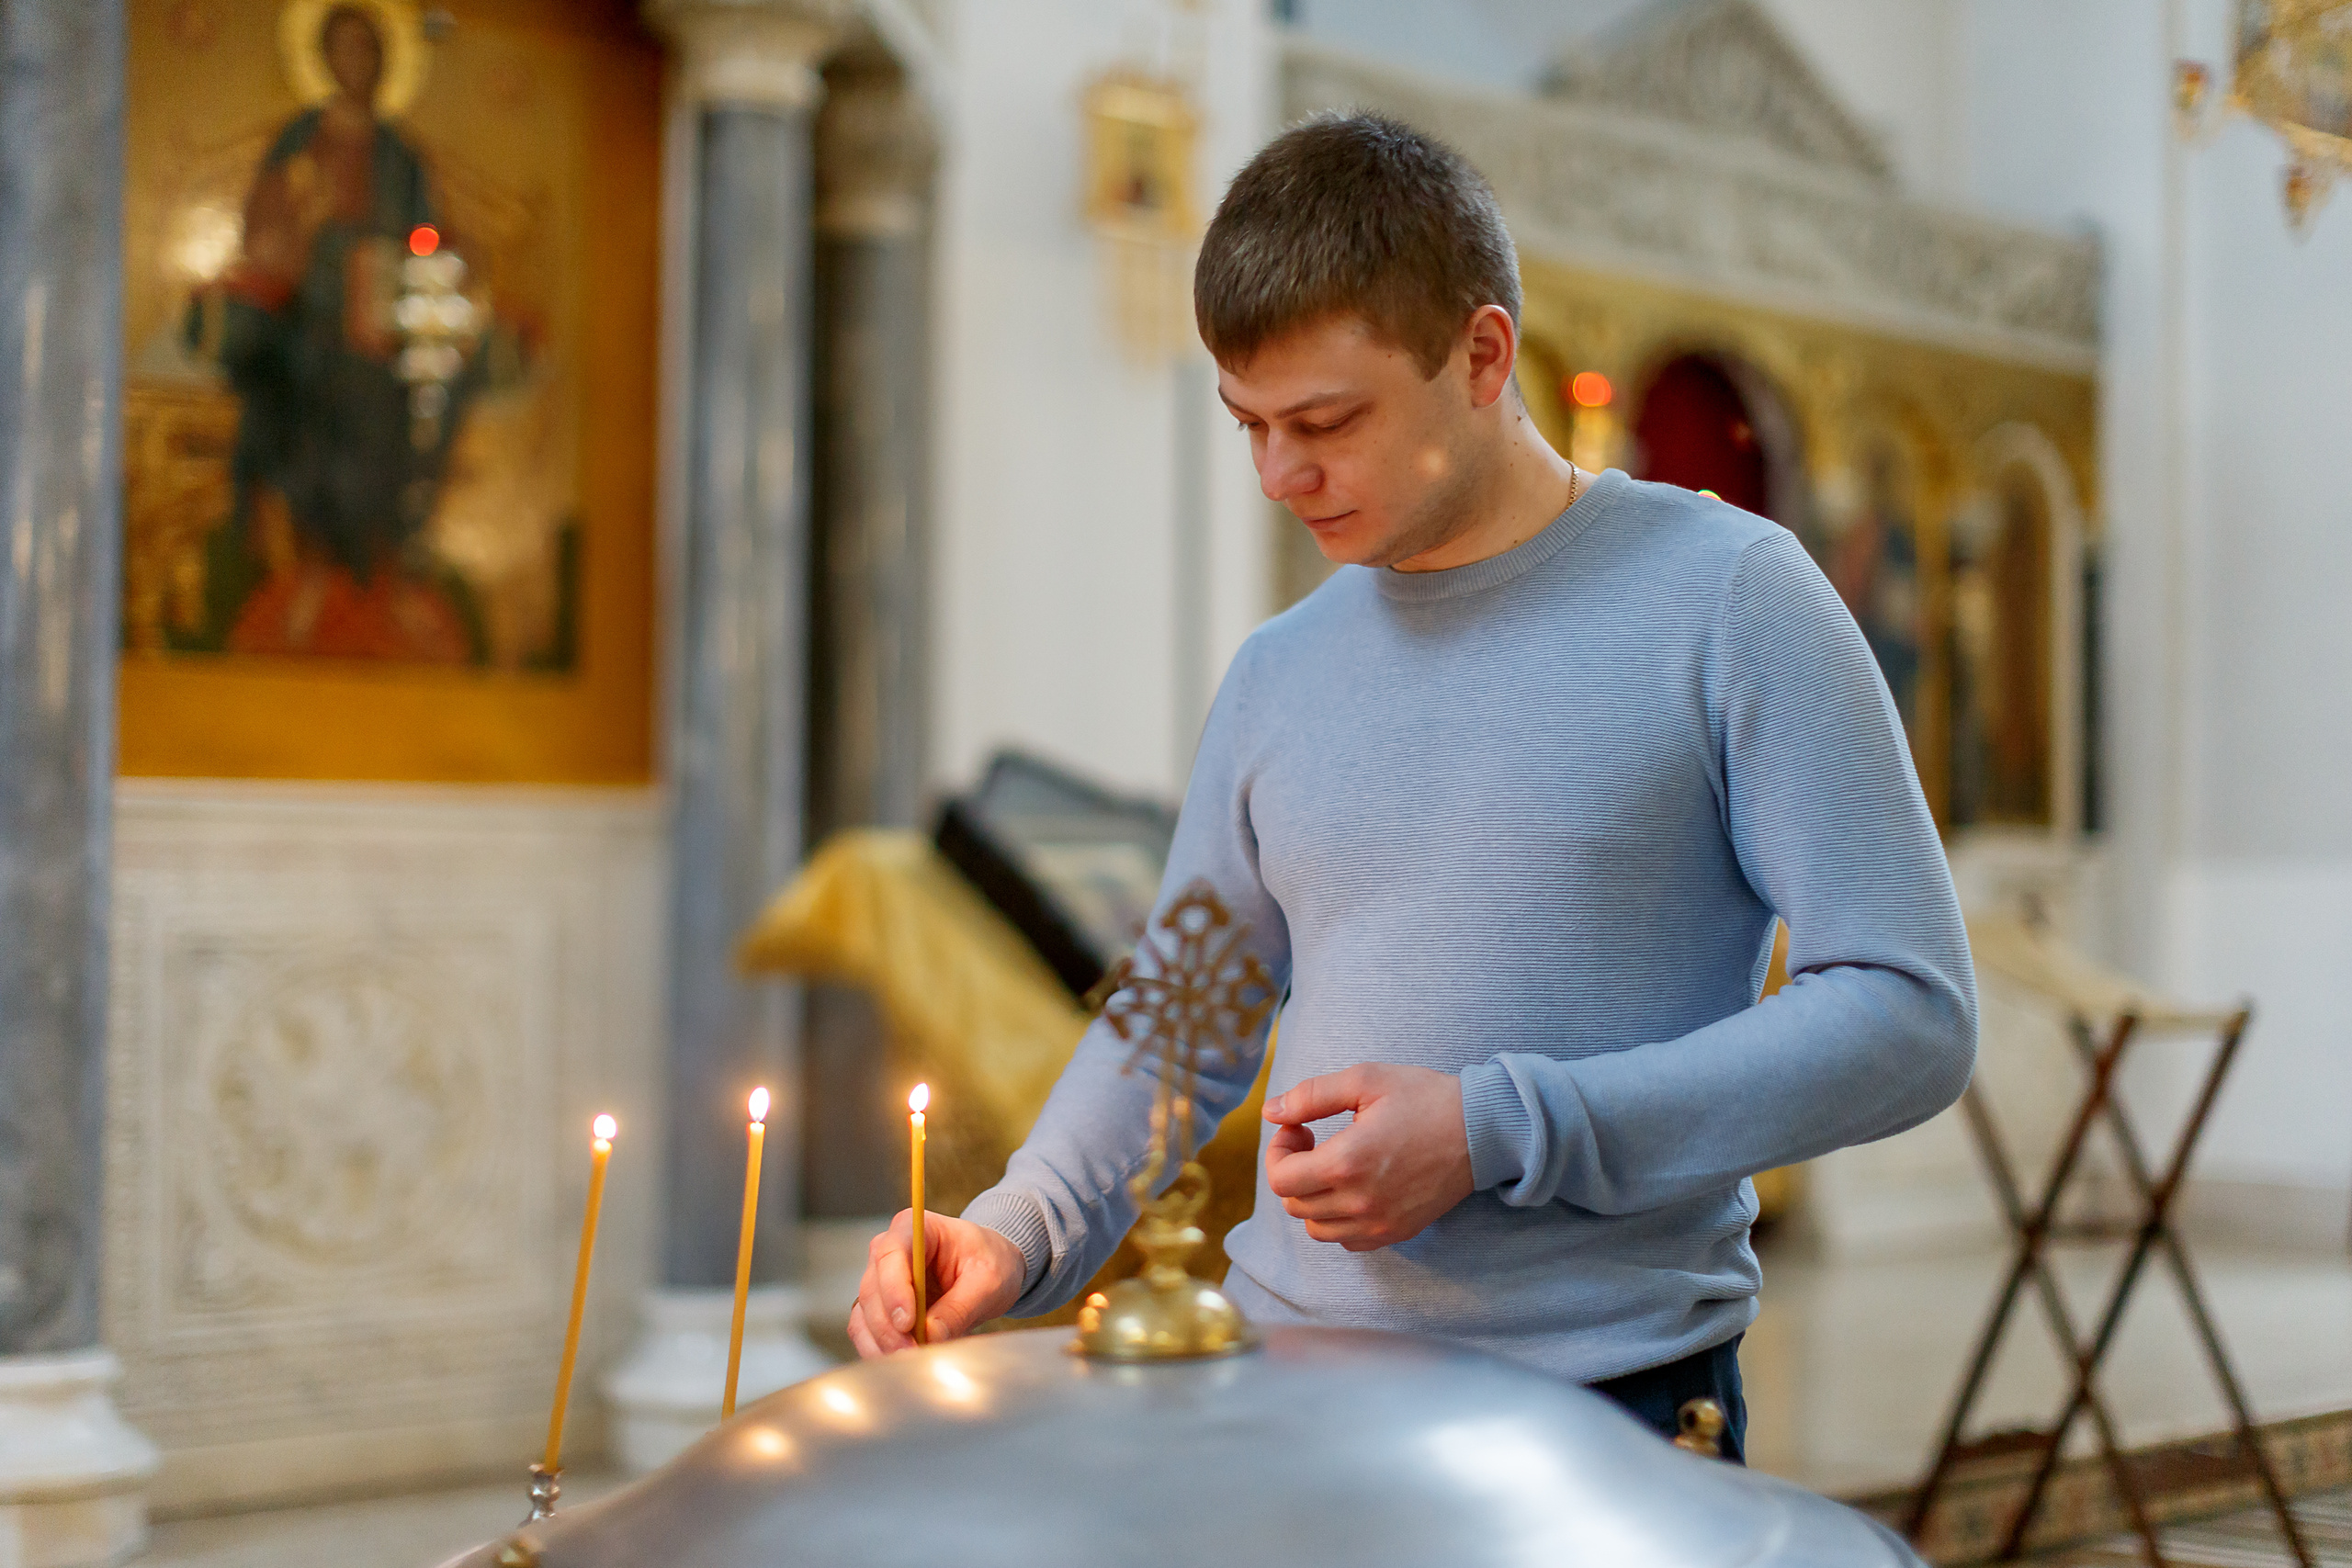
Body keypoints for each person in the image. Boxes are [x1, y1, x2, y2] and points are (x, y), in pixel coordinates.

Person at [846, 113, 1976, 1460]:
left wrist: (1498, 1128)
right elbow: (1180, 1017)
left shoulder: (1728, 595)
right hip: (1281, 1388)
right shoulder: (1278, 670)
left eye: (1327, 422)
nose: (1281, 476)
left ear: (1483, 356)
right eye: (1250, 426)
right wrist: (1016, 1226)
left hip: (1602, 1408)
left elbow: (1909, 1013)